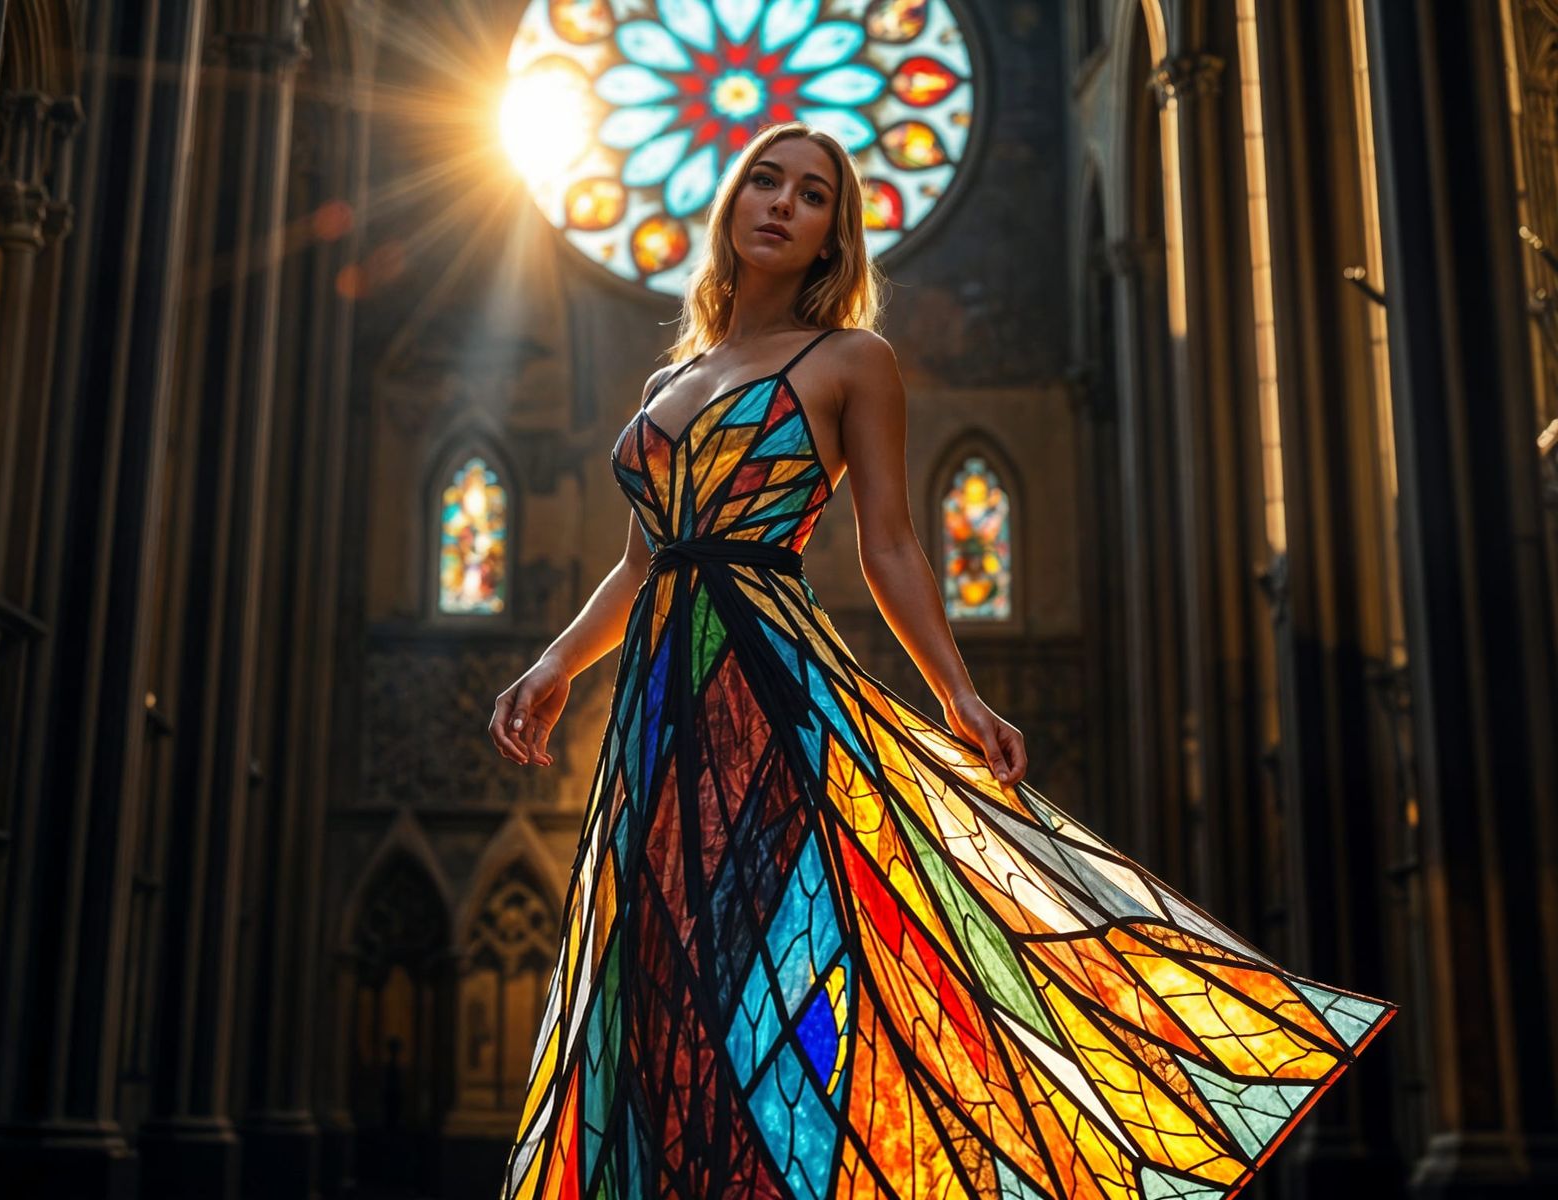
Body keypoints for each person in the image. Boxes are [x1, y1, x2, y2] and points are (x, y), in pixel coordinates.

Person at [488, 121, 1394, 1200]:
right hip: (656, 705)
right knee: (655, 962)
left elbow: (890, 545)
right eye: (765, 182)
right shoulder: (667, 378)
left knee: (770, 952)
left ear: (833, 238)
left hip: (764, 679)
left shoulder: (851, 361)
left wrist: (957, 692)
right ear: (731, 205)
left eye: (812, 195)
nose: (781, 204)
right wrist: (555, 665)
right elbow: (643, 560)